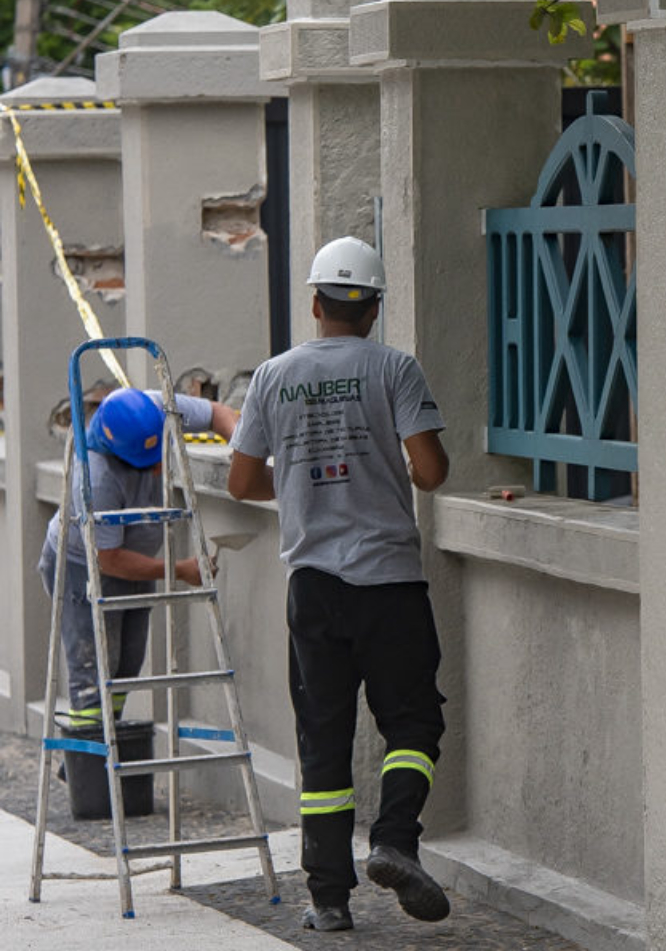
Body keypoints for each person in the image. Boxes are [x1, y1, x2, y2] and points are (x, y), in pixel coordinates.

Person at [227, 236, 451, 934]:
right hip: (389, 583)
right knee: (412, 722)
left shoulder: (272, 376)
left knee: (322, 737)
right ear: (374, 307)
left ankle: (328, 897)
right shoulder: (395, 370)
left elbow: (242, 481)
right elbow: (432, 471)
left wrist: (298, 486)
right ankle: (394, 840)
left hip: (313, 587)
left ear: (316, 302)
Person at [37, 385, 237, 729]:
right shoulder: (96, 477)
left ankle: (112, 755)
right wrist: (179, 570)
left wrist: (244, 453)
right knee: (94, 674)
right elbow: (109, 560)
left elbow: (219, 413)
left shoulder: (157, 408)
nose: (159, 470)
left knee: (127, 666)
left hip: (134, 558)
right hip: (82, 565)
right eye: (149, 464)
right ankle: (91, 772)